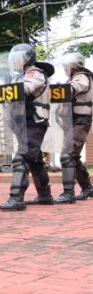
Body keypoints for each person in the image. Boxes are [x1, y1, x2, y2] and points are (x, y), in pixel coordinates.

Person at [0, 44, 54, 211]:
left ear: (28, 58)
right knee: (35, 161)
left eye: (18, 58)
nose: (15, 62)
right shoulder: (20, 76)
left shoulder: (34, 73)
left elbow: (26, 89)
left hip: (34, 123)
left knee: (22, 157)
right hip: (24, 124)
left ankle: (16, 198)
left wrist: (8, 88)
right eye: (13, 59)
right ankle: (45, 196)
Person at [55, 52, 93, 203]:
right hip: (71, 121)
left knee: (67, 155)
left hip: (80, 121)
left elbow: (75, 87)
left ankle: (68, 193)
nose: (65, 68)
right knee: (74, 157)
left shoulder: (81, 77)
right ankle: (88, 188)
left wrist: (64, 89)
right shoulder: (70, 79)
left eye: (67, 65)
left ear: (76, 66)